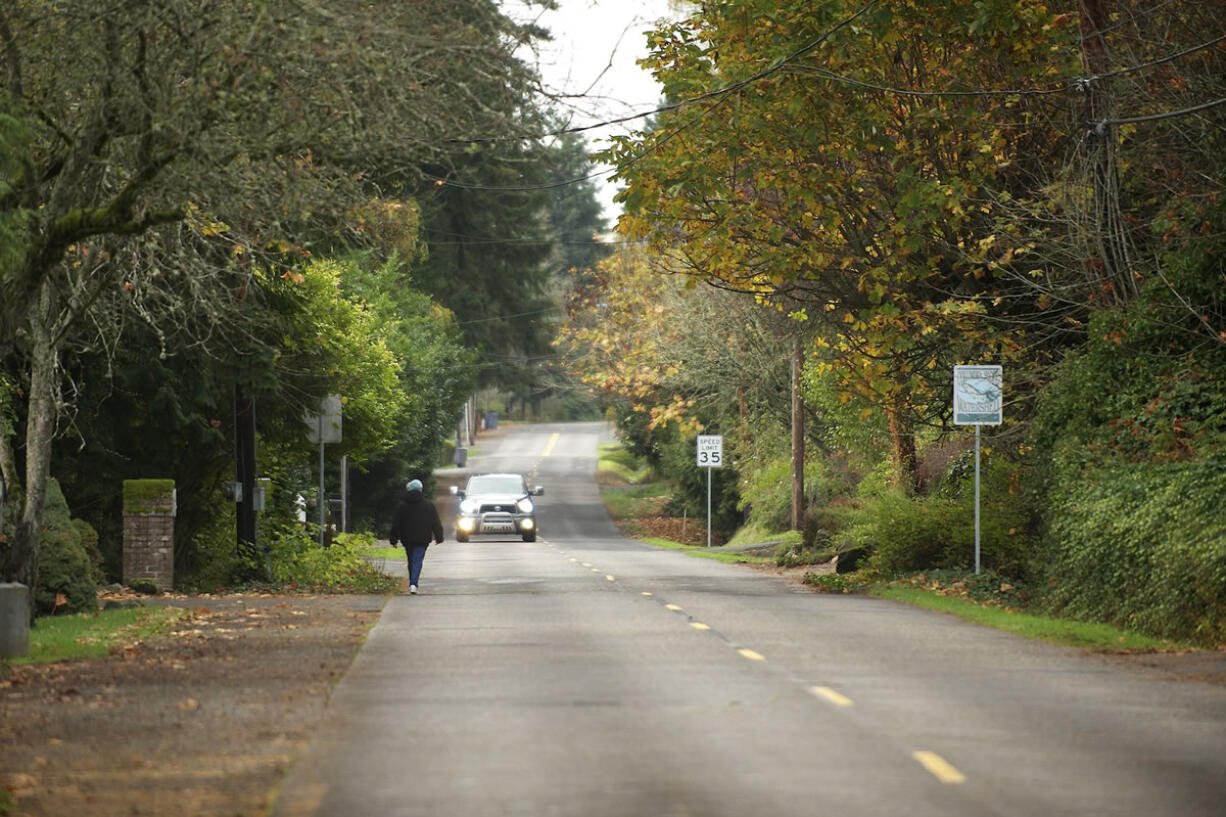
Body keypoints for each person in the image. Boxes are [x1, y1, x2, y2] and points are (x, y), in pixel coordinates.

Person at [388, 479, 444, 594]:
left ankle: (412, 582)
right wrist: (439, 537)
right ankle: (413, 583)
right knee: (417, 560)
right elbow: (435, 522)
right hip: (422, 538)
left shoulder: (401, 506)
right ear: (421, 490)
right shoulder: (428, 505)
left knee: (411, 560)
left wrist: (394, 539)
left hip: (407, 539)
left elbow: (396, 524)